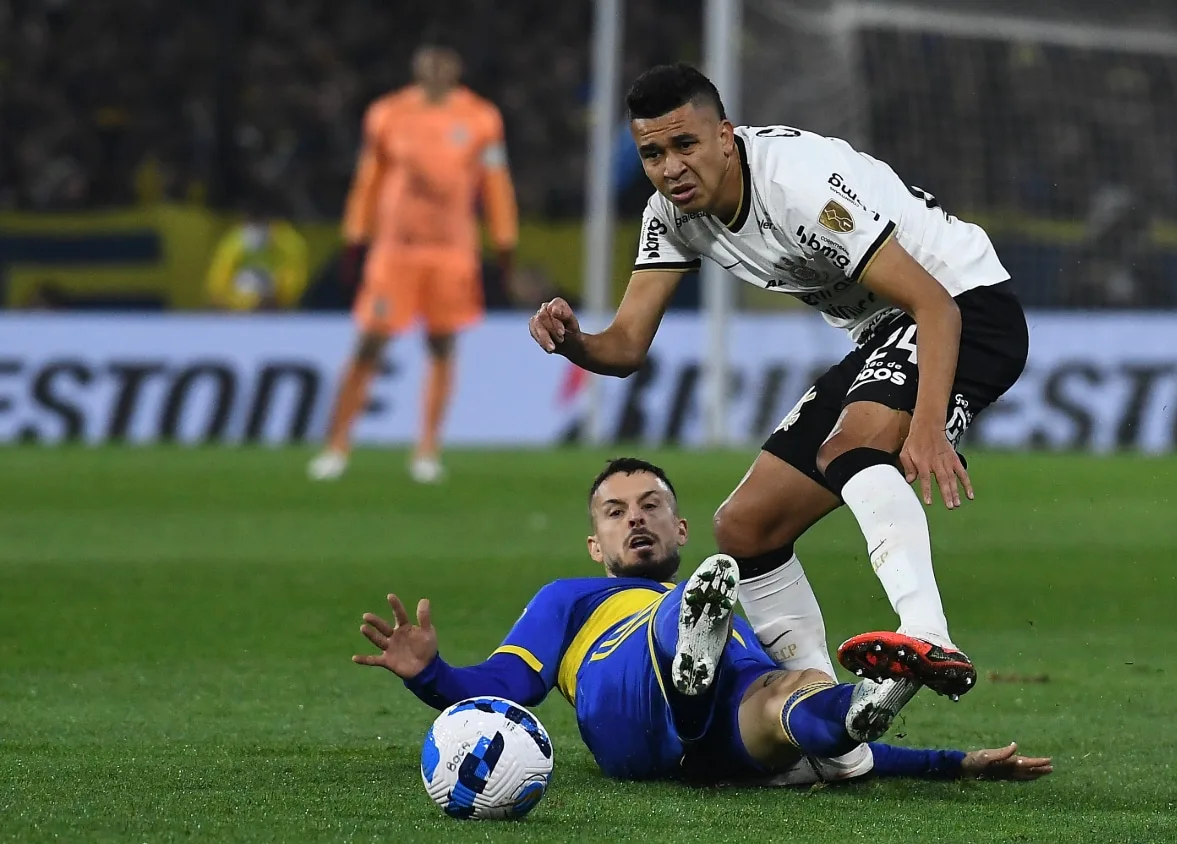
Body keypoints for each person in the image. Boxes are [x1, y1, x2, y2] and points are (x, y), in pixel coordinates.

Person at [527, 64, 1030, 713]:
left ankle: (928, 635)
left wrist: (928, 424)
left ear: (726, 138)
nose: (671, 167)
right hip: (887, 331)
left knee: (852, 448)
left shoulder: (797, 184)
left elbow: (935, 306)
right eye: (652, 154)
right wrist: (573, 341)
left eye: (686, 145)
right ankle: (817, 712)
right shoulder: (673, 216)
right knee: (745, 529)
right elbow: (624, 347)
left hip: (966, 308)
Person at [353, 458, 1053, 787]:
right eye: (616, 511)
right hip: (627, 712)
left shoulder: (711, 593)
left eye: (651, 505)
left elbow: (843, 760)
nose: (636, 519)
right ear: (595, 546)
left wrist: (955, 764)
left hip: (716, 740)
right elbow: (508, 685)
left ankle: (870, 702)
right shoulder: (572, 599)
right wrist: (433, 676)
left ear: (680, 524)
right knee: (690, 608)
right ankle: (689, 662)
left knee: (792, 697)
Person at [309, 45, 518, 484]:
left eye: (445, 60)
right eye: (429, 60)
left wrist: (504, 239)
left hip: (451, 252)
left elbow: (495, 183)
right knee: (370, 342)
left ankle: (427, 450)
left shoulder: (481, 118)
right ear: (416, 65)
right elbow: (369, 179)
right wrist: (355, 235)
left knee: (442, 344)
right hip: (395, 250)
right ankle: (337, 446)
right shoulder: (388, 114)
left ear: (456, 68)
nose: (436, 68)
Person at [205, 202, 309, 312]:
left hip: (274, 309)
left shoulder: (288, 241)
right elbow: (219, 274)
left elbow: (293, 278)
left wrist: (280, 297)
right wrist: (220, 298)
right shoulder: (237, 238)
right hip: (234, 308)